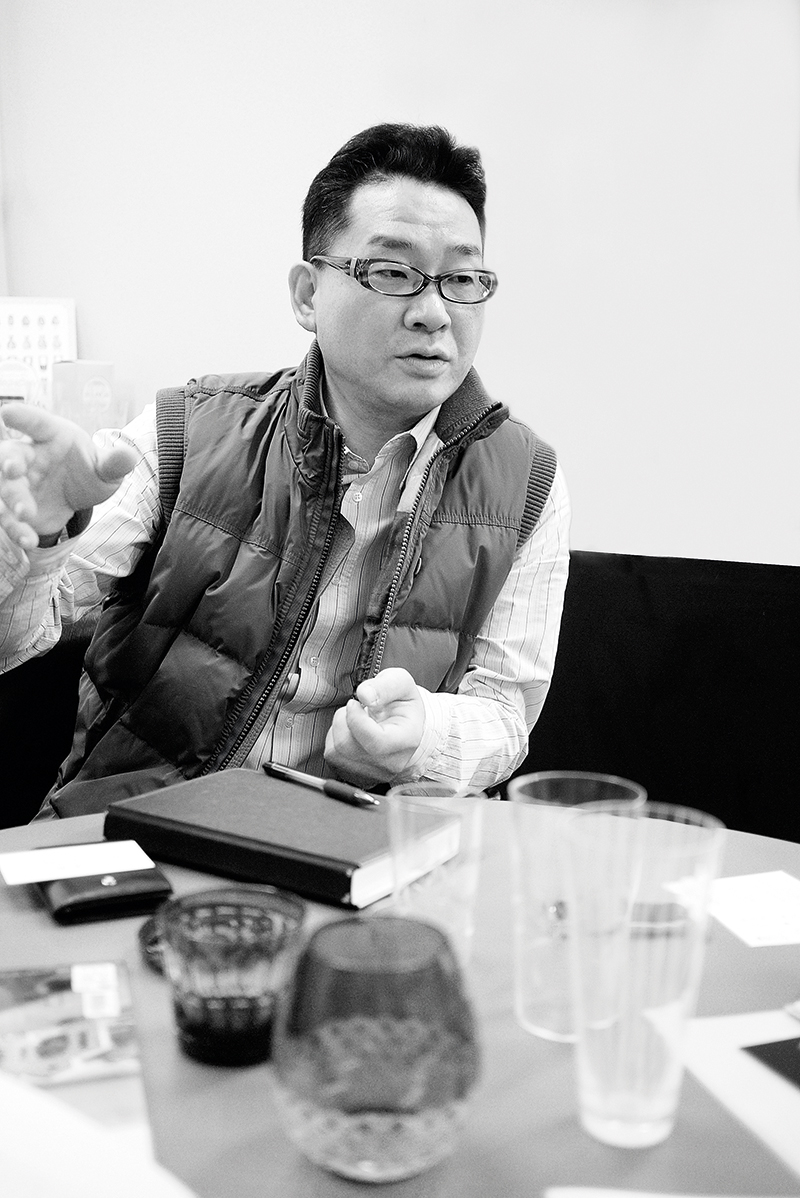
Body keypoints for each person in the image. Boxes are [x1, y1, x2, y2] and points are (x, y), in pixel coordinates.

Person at [0, 122, 570, 819]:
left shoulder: (528, 483)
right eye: (393, 272)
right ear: (307, 295)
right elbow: (13, 643)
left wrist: (424, 737)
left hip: (360, 855)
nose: (434, 312)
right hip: (141, 831)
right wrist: (38, 538)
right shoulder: (185, 431)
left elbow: (504, 713)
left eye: (461, 278)